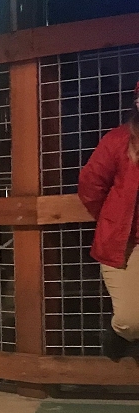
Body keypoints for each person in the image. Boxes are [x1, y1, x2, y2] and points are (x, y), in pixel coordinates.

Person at [78, 79, 139, 361]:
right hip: (127, 245)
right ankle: (118, 335)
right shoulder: (117, 141)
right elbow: (91, 186)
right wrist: (113, 219)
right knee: (130, 319)